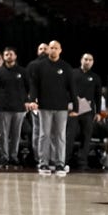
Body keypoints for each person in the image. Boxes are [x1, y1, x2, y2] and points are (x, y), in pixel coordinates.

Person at [27, 40, 74, 176]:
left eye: (55, 48)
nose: (52, 50)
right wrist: (32, 100)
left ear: (60, 50)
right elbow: (33, 85)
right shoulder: (38, 66)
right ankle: (43, 162)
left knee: (60, 136)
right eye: (51, 48)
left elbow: (71, 87)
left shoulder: (65, 67)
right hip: (44, 106)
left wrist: (74, 105)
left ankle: (59, 163)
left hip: (61, 107)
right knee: (44, 135)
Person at [0, 47, 29, 170]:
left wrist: (28, 102)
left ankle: (14, 157)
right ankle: (4, 157)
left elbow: (28, 89)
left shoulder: (22, 71)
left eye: (11, 54)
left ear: (15, 56)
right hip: (3, 107)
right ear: (4, 57)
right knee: (4, 134)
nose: (8, 56)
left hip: (19, 107)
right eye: (6, 54)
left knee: (16, 134)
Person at [69, 53, 101, 171]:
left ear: (92, 62)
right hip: (73, 109)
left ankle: (82, 161)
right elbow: (67, 89)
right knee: (70, 135)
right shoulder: (73, 73)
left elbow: (97, 96)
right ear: (81, 60)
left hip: (88, 111)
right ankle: (66, 160)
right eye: (85, 59)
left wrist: (98, 113)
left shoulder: (96, 77)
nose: (87, 61)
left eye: (90, 60)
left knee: (86, 136)